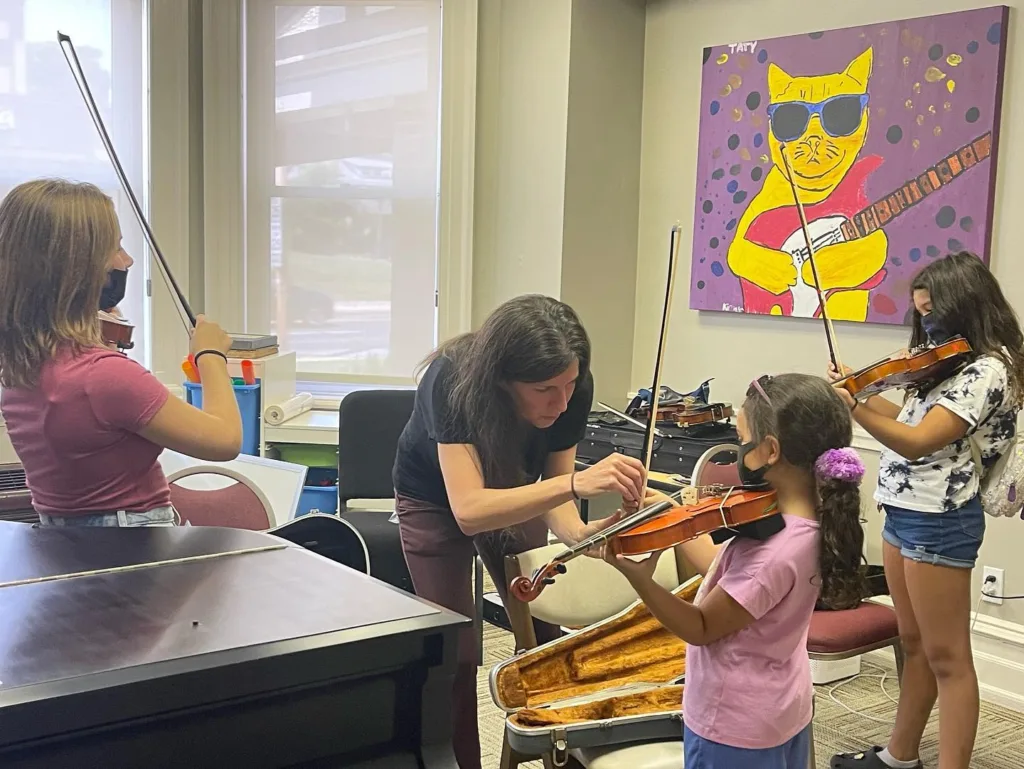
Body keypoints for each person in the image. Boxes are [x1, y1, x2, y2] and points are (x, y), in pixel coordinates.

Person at [391, 294, 648, 769]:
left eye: (570, 384)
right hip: (434, 500)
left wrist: (589, 534)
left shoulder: (572, 385)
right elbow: (468, 509)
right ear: (502, 381)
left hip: (515, 488)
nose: (563, 400)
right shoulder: (451, 380)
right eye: (545, 389)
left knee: (548, 633)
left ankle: (563, 753)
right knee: (458, 653)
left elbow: (561, 509)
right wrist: (571, 485)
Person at [604, 373, 867, 769]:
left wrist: (640, 579)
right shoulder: (813, 521)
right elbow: (735, 586)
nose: (739, 452)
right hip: (781, 710)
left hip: (733, 725)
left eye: (743, 440)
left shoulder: (773, 553)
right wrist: (678, 518)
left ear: (771, 450)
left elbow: (702, 627)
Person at [827, 252, 1024, 769]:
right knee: (913, 643)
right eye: (921, 315)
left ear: (965, 306)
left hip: (941, 518)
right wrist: (858, 390)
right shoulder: (947, 365)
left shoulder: (988, 370)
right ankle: (900, 756)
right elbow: (910, 415)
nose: (927, 327)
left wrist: (855, 408)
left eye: (934, 314)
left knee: (948, 659)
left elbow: (918, 442)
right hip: (904, 510)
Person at [0, 178, 243, 527]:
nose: (126, 261)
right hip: (131, 543)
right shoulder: (104, 377)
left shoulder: (21, 366)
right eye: (114, 247)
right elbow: (224, 440)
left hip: (61, 539)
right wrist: (210, 356)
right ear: (77, 269)